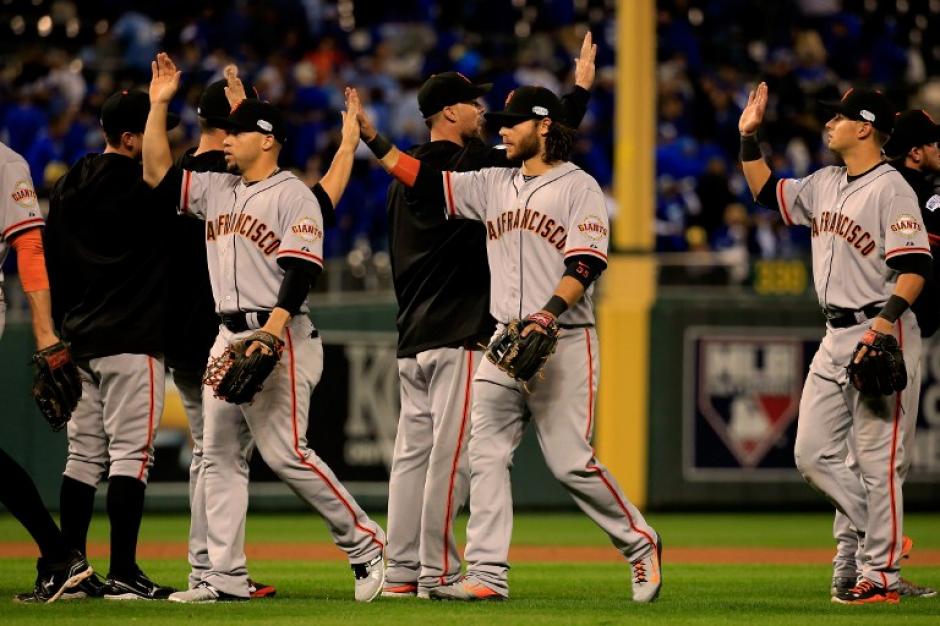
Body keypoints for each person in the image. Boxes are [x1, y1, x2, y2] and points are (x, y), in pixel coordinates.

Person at [354, 84, 663, 603]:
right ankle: (487, 574)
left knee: (569, 462)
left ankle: (640, 543)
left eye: (511, 123)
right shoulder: (494, 181)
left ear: (543, 126)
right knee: (485, 458)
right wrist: (374, 140)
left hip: (563, 338)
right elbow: (426, 182)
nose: (500, 130)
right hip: (502, 341)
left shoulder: (578, 187)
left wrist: (549, 312)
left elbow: (585, 263)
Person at [142, 53, 385, 603]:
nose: (224, 140)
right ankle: (223, 577)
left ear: (268, 140)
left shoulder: (293, 194)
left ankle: (366, 544)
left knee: (286, 454)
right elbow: (157, 173)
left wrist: (272, 333)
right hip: (227, 337)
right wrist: (159, 105)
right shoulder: (218, 191)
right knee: (220, 455)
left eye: (237, 133)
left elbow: (301, 270)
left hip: (281, 334)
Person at [379, 33, 596, 599]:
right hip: (458, 332)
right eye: (476, 105)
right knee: (453, 463)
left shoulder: (406, 179)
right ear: (450, 113)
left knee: (411, 460)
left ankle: (399, 571)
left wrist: (376, 145)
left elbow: (535, 138)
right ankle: (437, 572)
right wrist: (578, 96)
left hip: (411, 331)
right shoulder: (473, 164)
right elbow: (536, 142)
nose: (487, 116)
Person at [738, 84, 931, 605]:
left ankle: (880, 577)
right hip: (834, 334)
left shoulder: (892, 189)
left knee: (877, 462)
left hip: (881, 331)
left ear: (864, 127)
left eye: (838, 118)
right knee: (811, 455)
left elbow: (914, 269)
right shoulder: (825, 182)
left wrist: (883, 326)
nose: (828, 125)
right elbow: (764, 191)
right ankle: (883, 537)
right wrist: (749, 138)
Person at [44, 89, 180, 600]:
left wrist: (59, 329)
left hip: (79, 337)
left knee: (82, 457)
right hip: (130, 335)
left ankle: (70, 571)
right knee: (131, 456)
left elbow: (51, 258)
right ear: (130, 138)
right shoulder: (146, 184)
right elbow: (168, 186)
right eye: (149, 132)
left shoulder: (69, 182)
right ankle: (124, 568)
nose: (157, 141)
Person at [0, 140, 93, 603]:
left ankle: (60, 555)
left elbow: (29, 244)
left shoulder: (5, 161)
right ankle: (59, 555)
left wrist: (43, 332)